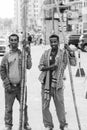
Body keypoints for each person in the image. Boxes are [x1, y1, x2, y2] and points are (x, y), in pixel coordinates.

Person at [38, 34, 77, 130]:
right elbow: (40, 66)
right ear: (49, 43)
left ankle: (63, 124)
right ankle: (48, 125)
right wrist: (50, 67)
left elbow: (73, 63)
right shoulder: (46, 53)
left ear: (58, 42)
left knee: (60, 106)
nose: (53, 44)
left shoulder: (63, 53)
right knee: (45, 106)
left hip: (58, 85)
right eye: (51, 42)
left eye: (55, 41)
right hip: (45, 84)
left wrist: (70, 51)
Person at [0, 34, 32, 130]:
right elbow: (2, 70)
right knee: (8, 108)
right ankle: (8, 126)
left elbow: (29, 66)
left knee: (23, 107)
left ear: (18, 42)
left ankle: (25, 124)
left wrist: (28, 54)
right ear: (9, 42)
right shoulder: (6, 56)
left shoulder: (22, 54)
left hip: (20, 87)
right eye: (12, 40)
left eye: (15, 40)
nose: (14, 42)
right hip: (10, 87)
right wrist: (6, 83)